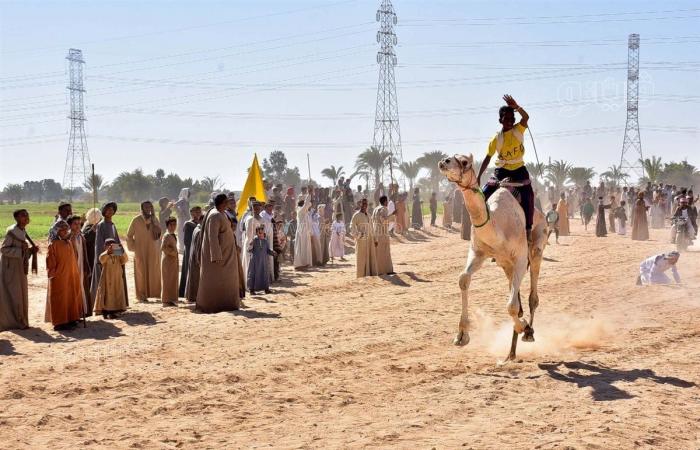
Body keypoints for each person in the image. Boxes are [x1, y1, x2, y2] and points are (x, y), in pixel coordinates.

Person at [477, 94, 535, 245]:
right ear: (500, 120)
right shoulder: (496, 139)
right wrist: (478, 177)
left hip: (519, 170)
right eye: (506, 118)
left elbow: (526, 117)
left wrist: (516, 107)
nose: (509, 121)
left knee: (528, 195)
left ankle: (528, 228)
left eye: (512, 118)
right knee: (483, 194)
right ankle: (481, 228)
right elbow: (488, 158)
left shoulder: (519, 130)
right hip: (501, 171)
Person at [196, 194, 241, 313]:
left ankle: (227, 304)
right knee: (216, 280)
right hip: (220, 257)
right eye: (226, 202)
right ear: (222, 203)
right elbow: (212, 236)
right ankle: (213, 305)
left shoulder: (222, 213)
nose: (228, 204)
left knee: (227, 280)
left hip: (227, 255)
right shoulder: (215, 215)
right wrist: (216, 255)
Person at [0, 209, 37, 331]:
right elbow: (4, 249)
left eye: (27, 215)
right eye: (23, 216)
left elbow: (23, 252)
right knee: (15, 294)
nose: (26, 217)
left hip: (20, 268)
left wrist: (30, 251)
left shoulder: (22, 231)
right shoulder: (12, 232)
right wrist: (21, 250)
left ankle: (21, 321)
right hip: (11, 269)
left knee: (21, 294)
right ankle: (16, 322)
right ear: (16, 218)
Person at [45, 220, 83, 331]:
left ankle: (71, 318)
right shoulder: (53, 245)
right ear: (57, 231)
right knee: (60, 298)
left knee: (71, 296)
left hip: (71, 274)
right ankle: (60, 322)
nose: (65, 231)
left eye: (66, 229)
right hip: (59, 277)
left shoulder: (69, 243)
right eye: (62, 230)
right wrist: (54, 273)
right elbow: (50, 262)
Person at [90, 202, 127, 307]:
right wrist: (101, 259)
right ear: (104, 211)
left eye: (112, 209)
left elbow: (116, 242)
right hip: (105, 259)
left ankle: (116, 305)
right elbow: (99, 244)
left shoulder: (112, 224)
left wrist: (120, 255)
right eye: (108, 209)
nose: (110, 211)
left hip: (115, 259)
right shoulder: (101, 225)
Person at [126, 201, 162, 302]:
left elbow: (159, 234)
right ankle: (142, 295)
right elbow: (129, 235)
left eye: (150, 207)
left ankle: (154, 293)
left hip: (152, 250)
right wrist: (134, 248)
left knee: (153, 271)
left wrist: (154, 223)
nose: (148, 209)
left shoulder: (155, 219)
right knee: (141, 271)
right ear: (142, 208)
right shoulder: (136, 220)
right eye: (146, 207)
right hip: (140, 250)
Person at [93, 238, 129, 319]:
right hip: (107, 278)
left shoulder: (117, 254)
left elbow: (125, 260)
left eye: (112, 245)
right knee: (108, 294)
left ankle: (116, 309)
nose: (111, 247)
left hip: (117, 278)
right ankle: (107, 311)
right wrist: (108, 252)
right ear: (105, 246)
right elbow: (101, 259)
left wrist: (122, 251)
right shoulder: (104, 254)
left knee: (117, 292)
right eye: (108, 245)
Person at [67, 215, 92, 316]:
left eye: (79, 224)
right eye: (75, 224)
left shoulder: (81, 237)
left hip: (81, 266)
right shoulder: (68, 238)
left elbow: (84, 253)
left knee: (81, 288)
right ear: (70, 225)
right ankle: (74, 313)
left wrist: (86, 266)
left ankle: (81, 311)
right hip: (72, 267)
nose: (78, 226)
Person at [350, 198, 378, 278]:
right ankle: (361, 275)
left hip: (369, 240)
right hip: (361, 241)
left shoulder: (369, 215)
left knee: (370, 257)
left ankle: (370, 274)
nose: (365, 206)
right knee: (361, 258)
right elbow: (351, 227)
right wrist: (359, 235)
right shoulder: (356, 215)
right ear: (360, 204)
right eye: (363, 204)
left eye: (366, 204)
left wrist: (375, 239)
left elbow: (372, 228)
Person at [179, 206, 201, 297]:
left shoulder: (201, 223)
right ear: (191, 213)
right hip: (190, 250)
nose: (198, 213)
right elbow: (186, 241)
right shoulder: (188, 224)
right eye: (196, 212)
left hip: (198, 250)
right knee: (188, 269)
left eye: (199, 212)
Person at [247, 226, 276, 295]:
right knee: (253, 274)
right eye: (259, 233)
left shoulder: (265, 241)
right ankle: (252, 290)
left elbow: (267, 250)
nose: (261, 234)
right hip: (255, 261)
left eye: (262, 233)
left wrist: (272, 252)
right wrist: (250, 245)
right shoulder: (254, 240)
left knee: (264, 274)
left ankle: (266, 289)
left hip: (263, 261)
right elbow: (249, 250)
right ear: (256, 233)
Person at [372, 196, 395, 275]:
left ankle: (378, 270)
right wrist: (392, 215)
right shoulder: (384, 209)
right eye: (387, 201)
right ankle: (385, 270)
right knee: (384, 251)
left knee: (378, 252)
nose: (387, 202)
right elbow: (384, 221)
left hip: (376, 233)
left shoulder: (375, 209)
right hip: (382, 233)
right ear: (385, 201)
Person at [161, 217, 179, 306]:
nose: (173, 226)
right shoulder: (167, 235)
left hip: (172, 260)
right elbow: (163, 248)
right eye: (171, 225)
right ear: (167, 226)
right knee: (168, 280)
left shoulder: (173, 234)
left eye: (174, 224)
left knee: (172, 279)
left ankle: (171, 299)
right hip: (168, 260)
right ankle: (166, 299)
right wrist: (174, 253)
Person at [294, 187, 314, 270]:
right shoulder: (300, 211)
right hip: (301, 231)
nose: (308, 208)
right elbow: (306, 204)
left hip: (305, 231)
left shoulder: (305, 213)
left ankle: (305, 263)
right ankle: (299, 264)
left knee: (306, 247)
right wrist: (309, 194)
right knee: (301, 247)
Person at [242, 201, 263, 278]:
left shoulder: (259, 219)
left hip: (257, 242)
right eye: (255, 209)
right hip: (251, 243)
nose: (257, 211)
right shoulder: (250, 219)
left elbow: (261, 232)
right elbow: (250, 234)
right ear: (251, 209)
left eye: (258, 209)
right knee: (249, 263)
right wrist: (253, 244)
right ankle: (249, 283)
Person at [81, 208, 102, 274]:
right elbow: (85, 238)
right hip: (90, 253)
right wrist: (92, 230)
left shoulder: (97, 226)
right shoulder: (88, 227)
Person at [174, 188, 191, 253]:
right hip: (182, 219)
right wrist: (179, 212)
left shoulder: (186, 201)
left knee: (185, 232)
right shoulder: (182, 200)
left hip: (186, 218)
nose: (189, 194)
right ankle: (181, 248)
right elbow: (175, 205)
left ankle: (184, 247)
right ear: (185, 193)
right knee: (181, 232)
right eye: (188, 193)